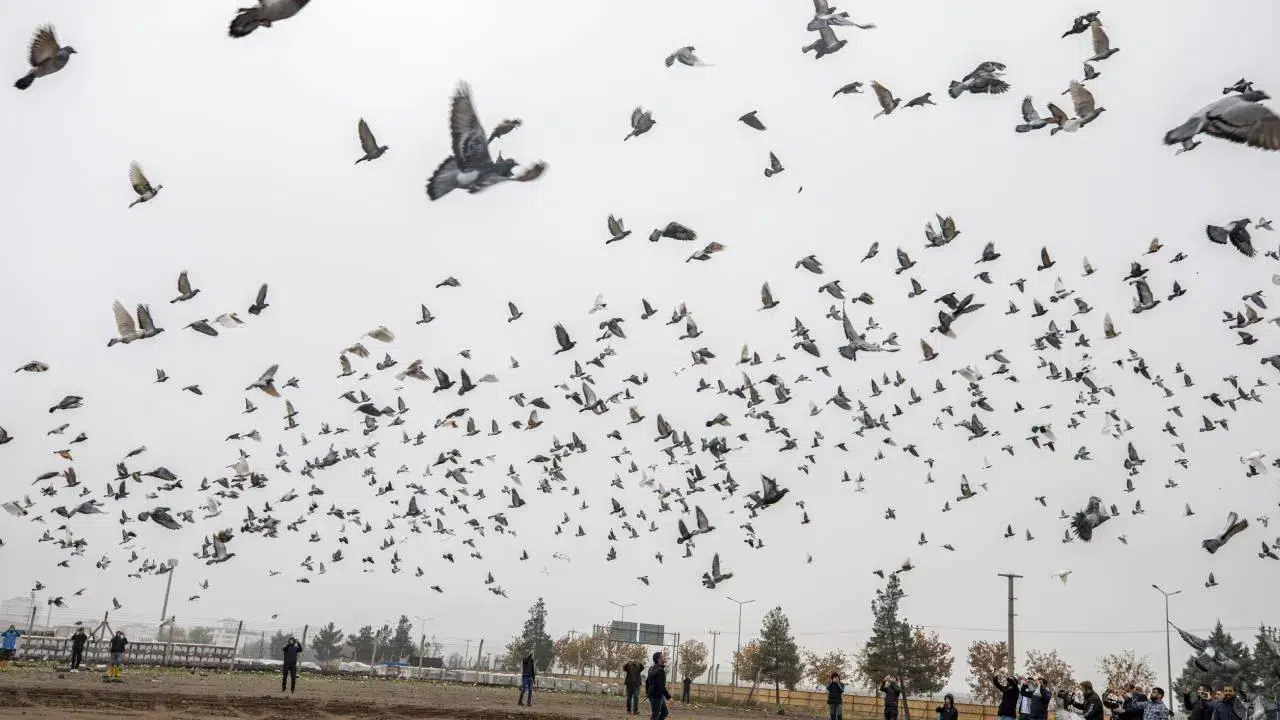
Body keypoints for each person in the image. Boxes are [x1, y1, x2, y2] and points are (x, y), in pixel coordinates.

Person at [645, 651, 671, 720]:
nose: (664, 658)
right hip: (657, 696)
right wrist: (669, 697)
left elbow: (647, 682)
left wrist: (647, 694)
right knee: (655, 715)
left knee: (664, 712)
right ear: (659, 659)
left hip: (653, 695)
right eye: (663, 657)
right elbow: (661, 686)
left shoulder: (651, 668)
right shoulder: (660, 671)